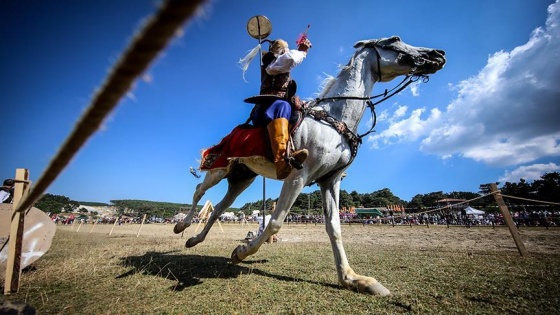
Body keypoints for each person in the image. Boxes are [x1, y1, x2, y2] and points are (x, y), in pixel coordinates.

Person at [246, 37, 313, 179]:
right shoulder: (272, 64)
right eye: (285, 50)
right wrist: (302, 51)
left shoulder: (276, 62)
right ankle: (281, 160)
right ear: (280, 52)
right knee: (282, 105)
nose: (287, 52)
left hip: (275, 108)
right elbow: (290, 59)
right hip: (266, 110)